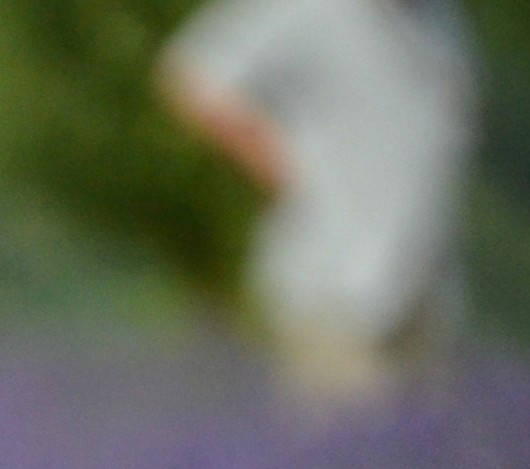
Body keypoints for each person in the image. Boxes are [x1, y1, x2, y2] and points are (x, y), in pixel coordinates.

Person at [158, 0, 478, 411]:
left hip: (425, 292)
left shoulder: (439, 16)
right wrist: (278, 169)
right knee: (347, 456)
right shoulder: (307, 8)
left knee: (420, 461)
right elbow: (192, 76)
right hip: (337, 287)